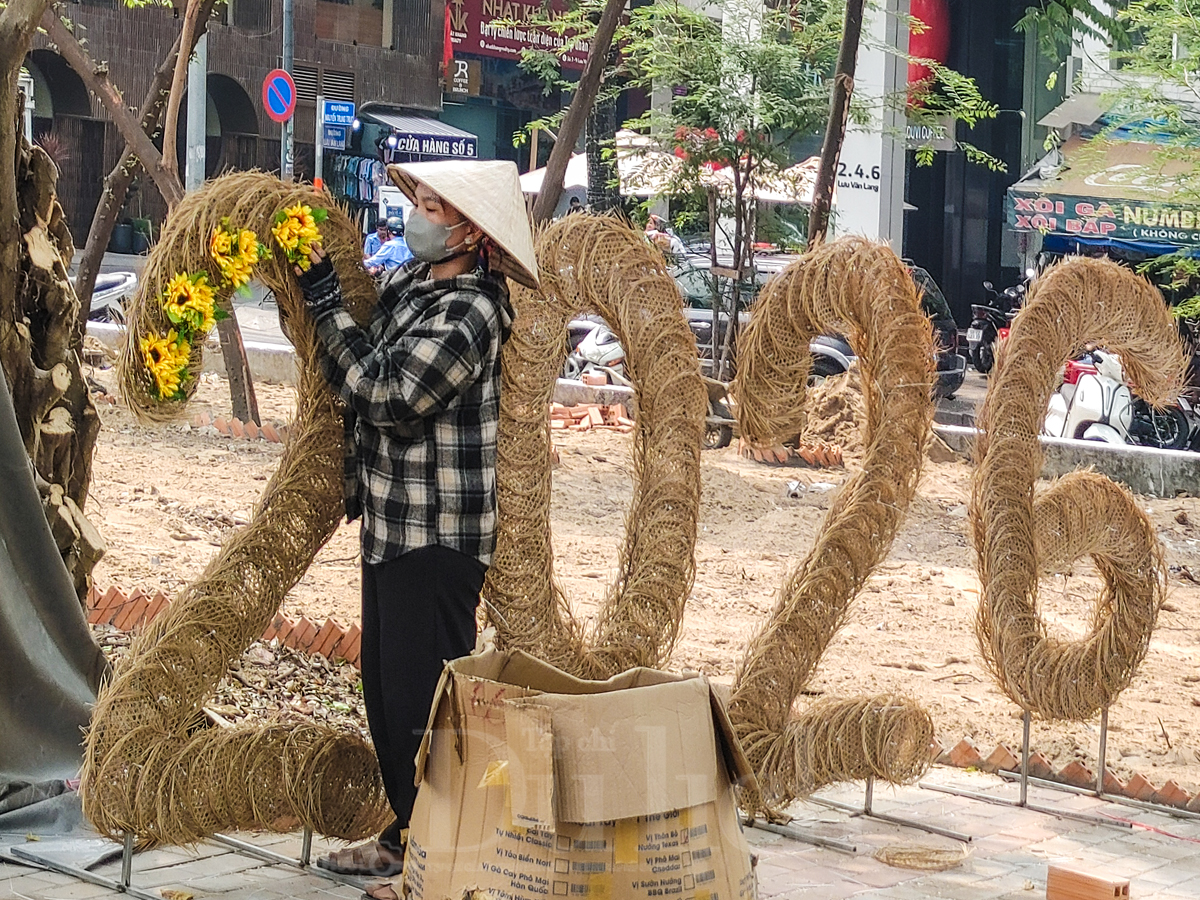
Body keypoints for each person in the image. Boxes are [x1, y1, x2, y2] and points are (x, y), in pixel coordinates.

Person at [294, 160, 538, 900]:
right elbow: (367, 351)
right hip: (390, 524)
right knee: (389, 696)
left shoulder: (473, 312)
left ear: (470, 233)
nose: (419, 217)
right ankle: (406, 840)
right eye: (420, 202)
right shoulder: (411, 284)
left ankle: (440, 867)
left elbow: (390, 395)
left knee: (429, 709)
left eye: (435, 208)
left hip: (437, 535)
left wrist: (324, 303)